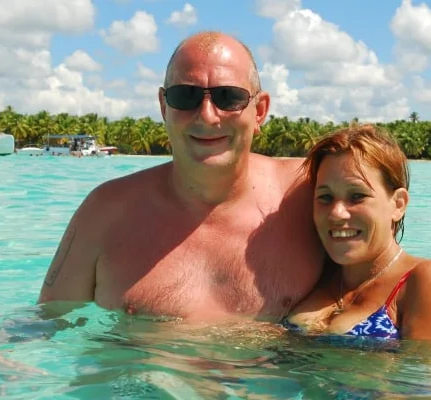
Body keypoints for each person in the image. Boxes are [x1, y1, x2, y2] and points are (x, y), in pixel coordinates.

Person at [38, 31, 324, 322]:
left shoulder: (312, 194)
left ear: (260, 111)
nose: (207, 116)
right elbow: (43, 326)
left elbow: (370, 290)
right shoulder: (104, 212)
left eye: (229, 97)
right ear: (164, 107)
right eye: (186, 96)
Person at [283, 125, 431, 340]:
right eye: (325, 197)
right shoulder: (317, 276)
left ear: (398, 205)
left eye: (357, 196)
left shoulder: (427, 280)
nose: (336, 213)